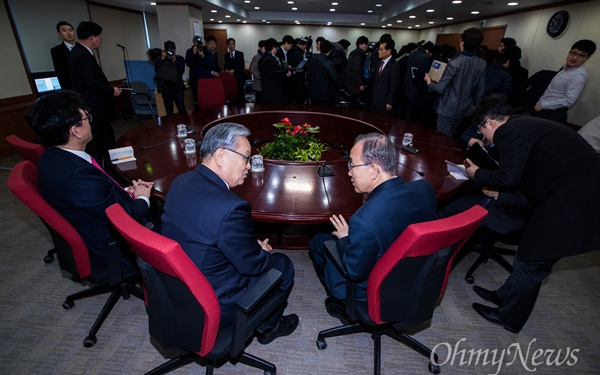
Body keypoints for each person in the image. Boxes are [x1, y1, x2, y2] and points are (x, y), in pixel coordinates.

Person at [465, 95, 600, 333]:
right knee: (527, 255)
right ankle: (502, 296)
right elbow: (529, 183)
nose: (485, 138)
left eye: (482, 130)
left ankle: (510, 318)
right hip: (568, 198)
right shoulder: (522, 126)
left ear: (489, 123)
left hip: (573, 207)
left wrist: (478, 174)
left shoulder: (509, 130)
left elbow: (509, 177)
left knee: (531, 261)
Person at [160, 123, 298, 343]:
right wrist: (259, 252)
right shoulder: (231, 207)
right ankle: (268, 327)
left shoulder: (180, 181)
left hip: (176, 288)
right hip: (213, 300)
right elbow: (252, 265)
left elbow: (207, 230)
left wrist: (249, 247)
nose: (249, 167)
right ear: (221, 155)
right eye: (246, 157)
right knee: (281, 264)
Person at [309, 133, 437, 322]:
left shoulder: (364, 219)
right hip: (416, 278)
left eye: (352, 164)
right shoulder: (425, 190)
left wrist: (345, 238)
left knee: (318, 242)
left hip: (375, 289)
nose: (349, 172)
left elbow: (355, 270)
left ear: (373, 169)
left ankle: (342, 305)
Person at [24, 90, 153, 268]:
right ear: (75, 130)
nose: (90, 122)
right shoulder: (79, 177)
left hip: (93, 222)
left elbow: (97, 197)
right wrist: (143, 198)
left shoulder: (51, 156)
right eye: (86, 117)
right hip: (113, 246)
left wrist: (124, 191)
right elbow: (123, 218)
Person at [69, 21, 121, 167]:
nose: (99, 40)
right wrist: (112, 91)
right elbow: (93, 83)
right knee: (103, 142)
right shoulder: (82, 55)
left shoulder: (79, 52)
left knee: (104, 141)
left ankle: (108, 168)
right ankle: (109, 172)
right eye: (99, 37)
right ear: (92, 37)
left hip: (94, 107)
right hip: (95, 108)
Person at [425, 27, 487, 138]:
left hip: (448, 109)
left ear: (462, 42)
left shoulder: (455, 62)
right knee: (453, 138)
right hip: (466, 110)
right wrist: (474, 107)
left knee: (442, 139)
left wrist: (429, 82)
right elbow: (480, 91)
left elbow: (440, 88)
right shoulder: (481, 63)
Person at [535, 39, 596, 124]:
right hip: (543, 110)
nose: (575, 58)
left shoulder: (578, 76)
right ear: (569, 52)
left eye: (581, 55)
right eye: (574, 53)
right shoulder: (566, 68)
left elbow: (569, 100)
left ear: (587, 58)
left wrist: (543, 105)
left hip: (553, 114)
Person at [152, 41, 186, 116]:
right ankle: (170, 127)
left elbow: (181, 70)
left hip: (177, 89)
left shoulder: (180, 59)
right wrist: (162, 58)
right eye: (168, 50)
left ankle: (185, 125)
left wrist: (174, 59)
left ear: (175, 50)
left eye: (172, 49)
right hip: (166, 90)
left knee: (182, 110)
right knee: (169, 112)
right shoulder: (161, 60)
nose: (171, 52)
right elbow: (157, 70)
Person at [370, 38, 400, 114]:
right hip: (375, 100)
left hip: (385, 102)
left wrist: (390, 102)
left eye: (381, 50)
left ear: (389, 51)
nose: (379, 52)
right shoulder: (379, 63)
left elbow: (394, 86)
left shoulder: (394, 66)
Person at [306, 40, 340, 106]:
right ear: (330, 50)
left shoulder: (312, 59)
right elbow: (335, 79)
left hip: (313, 93)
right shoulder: (328, 63)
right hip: (326, 95)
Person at [258, 38, 291, 104]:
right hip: (273, 93)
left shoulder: (262, 58)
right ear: (273, 48)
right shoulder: (270, 60)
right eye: (276, 48)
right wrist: (285, 75)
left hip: (265, 90)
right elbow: (273, 75)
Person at [343, 35, 369, 108]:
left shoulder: (353, 52)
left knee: (352, 102)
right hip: (354, 83)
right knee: (355, 104)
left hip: (349, 81)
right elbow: (356, 70)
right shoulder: (359, 55)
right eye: (366, 44)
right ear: (360, 44)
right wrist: (361, 84)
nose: (367, 46)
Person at [50, 21, 76, 90]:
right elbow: (60, 73)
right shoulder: (56, 51)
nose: (69, 33)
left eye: (70, 30)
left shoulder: (82, 47)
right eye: (64, 31)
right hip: (72, 87)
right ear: (59, 34)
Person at [223, 37, 246, 102]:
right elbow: (226, 66)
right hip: (231, 77)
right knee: (233, 94)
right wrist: (226, 70)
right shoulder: (226, 55)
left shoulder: (240, 54)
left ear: (235, 44)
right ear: (227, 45)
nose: (231, 45)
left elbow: (241, 66)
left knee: (241, 93)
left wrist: (234, 70)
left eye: (232, 44)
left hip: (239, 76)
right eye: (229, 44)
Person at [184, 35, 204, 103]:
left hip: (204, 77)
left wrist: (202, 54)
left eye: (199, 41)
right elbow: (188, 63)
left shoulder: (204, 50)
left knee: (204, 98)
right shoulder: (189, 51)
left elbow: (208, 63)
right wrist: (193, 53)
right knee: (195, 99)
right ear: (193, 42)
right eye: (196, 41)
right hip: (194, 78)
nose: (197, 42)